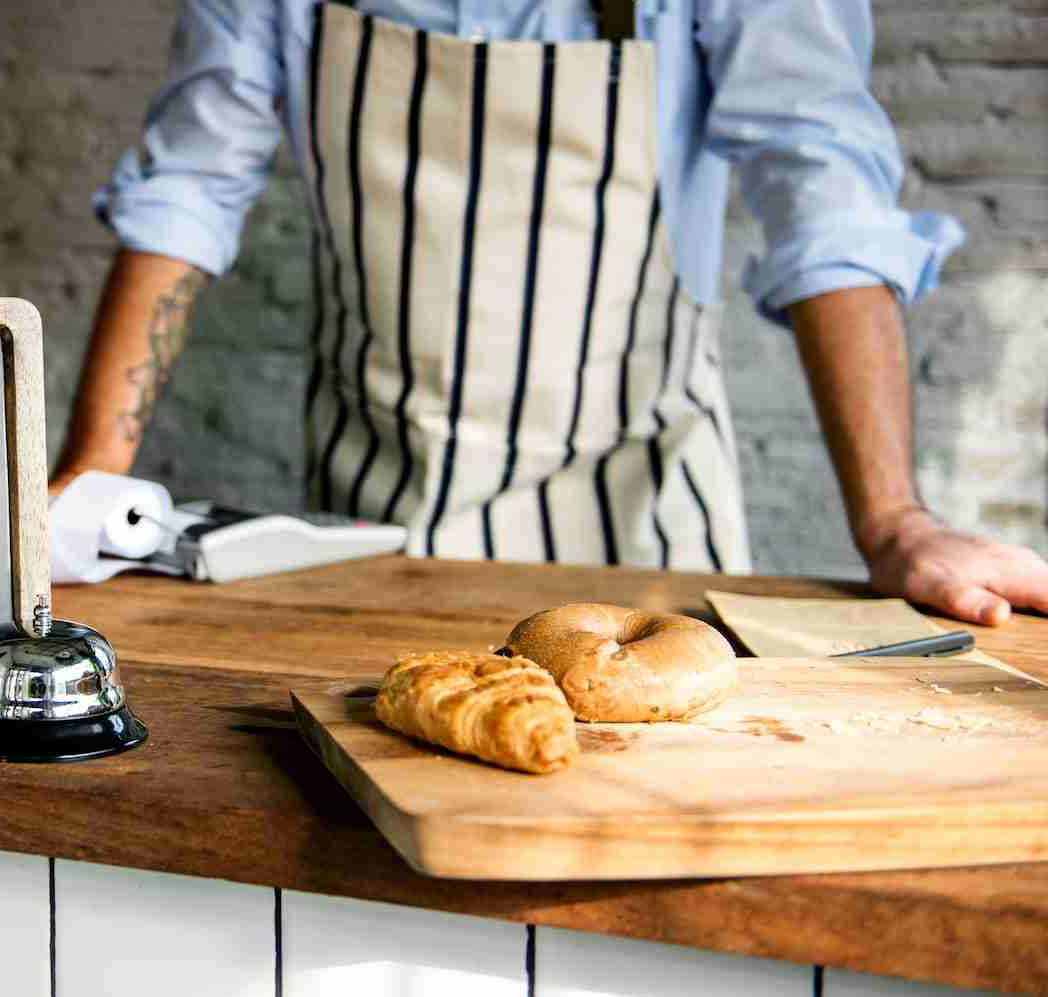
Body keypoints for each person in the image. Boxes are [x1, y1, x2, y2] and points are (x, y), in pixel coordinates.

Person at [50, 0, 1048, 626]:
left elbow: (825, 198)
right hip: (368, 538)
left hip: (647, 539)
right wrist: (91, 480)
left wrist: (892, 522)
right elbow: (188, 186)